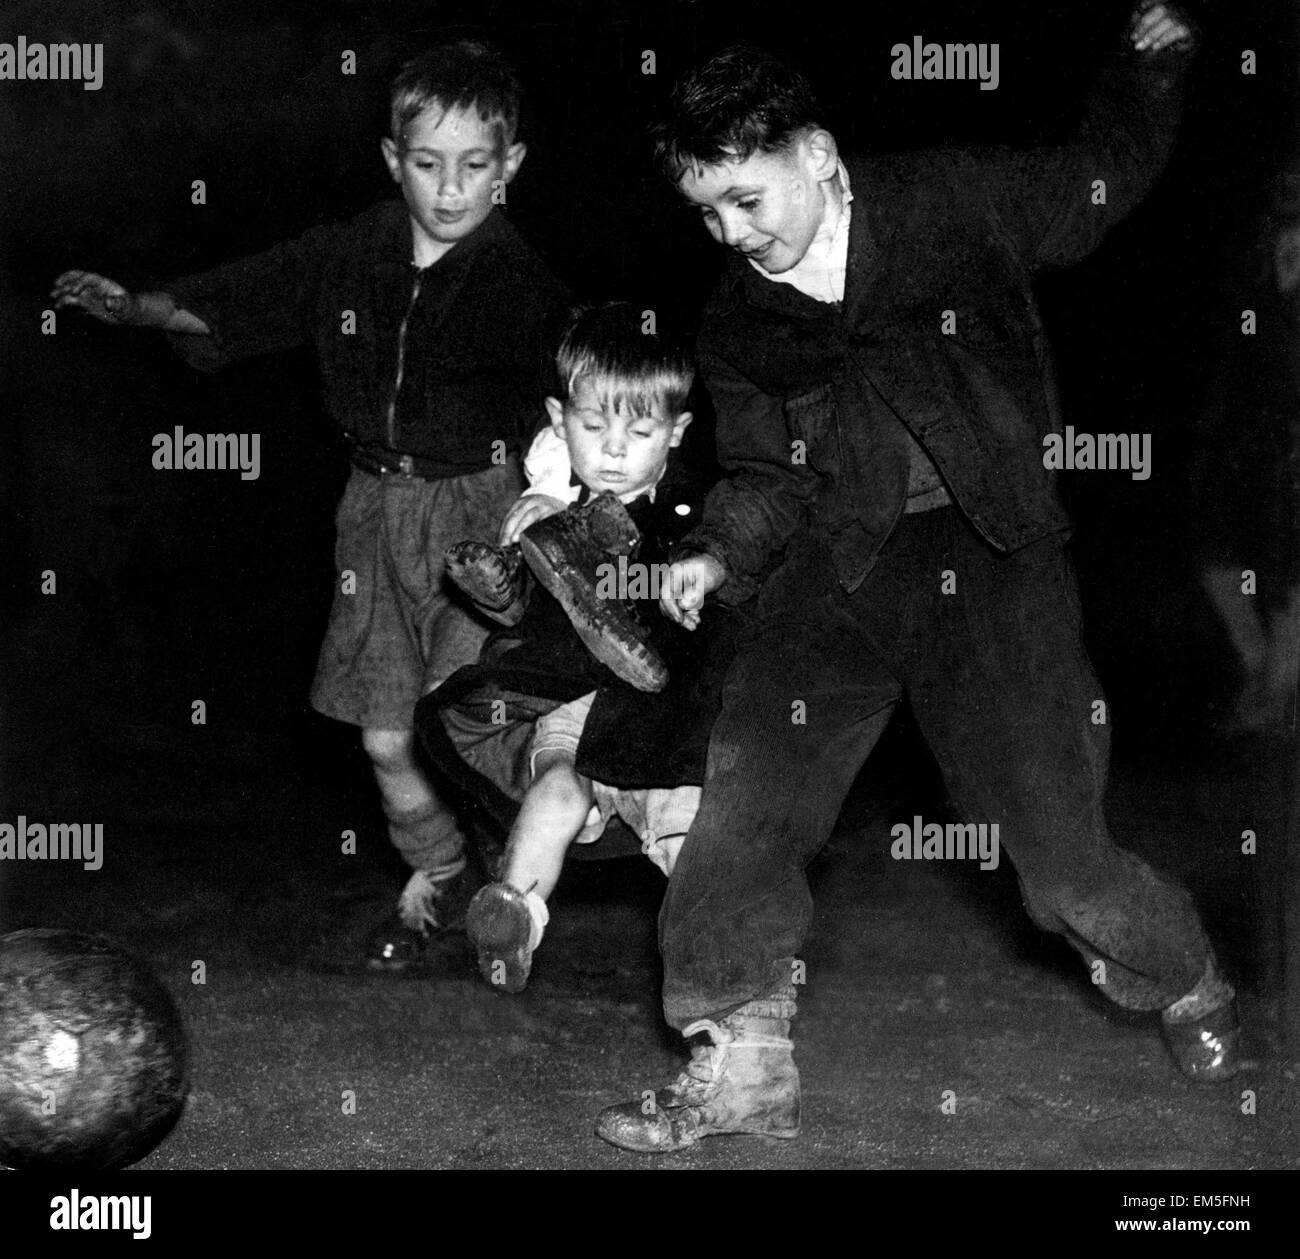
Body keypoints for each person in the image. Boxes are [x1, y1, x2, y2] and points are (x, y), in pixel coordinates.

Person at [523, 5, 1244, 1154]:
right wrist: (715, 550)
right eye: (704, 211)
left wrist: (1148, 71)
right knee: (742, 804)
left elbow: (1098, 181)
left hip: (989, 556)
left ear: (816, 155)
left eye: (746, 199)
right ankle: (741, 1063)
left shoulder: (951, 203)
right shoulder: (739, 319)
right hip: (833, 572)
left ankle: (1182, 968)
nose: (728, 232)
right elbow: (764, 474)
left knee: (1061, 866)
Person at [50, 38, 571, 969]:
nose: (450, 189)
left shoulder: (526, 285)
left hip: (482, 519)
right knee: (382, 736)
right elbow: (239, 299)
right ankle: (442, 875)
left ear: (512, 167)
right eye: (426, 164)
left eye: (475, 166)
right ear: (391, 160)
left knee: (475, 717)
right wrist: (138, 309)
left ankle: (517, 889)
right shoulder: (351, 254)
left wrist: (576, 501)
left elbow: (578, 410)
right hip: (371, 512)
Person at [415, 302, 738, 992]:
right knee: (555, 790)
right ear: (560, 424)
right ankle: (513, 915)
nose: (615, 450)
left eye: (640, 430)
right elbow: (519, 614)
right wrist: (497, 579)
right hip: (571, 694)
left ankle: (719, 956)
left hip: (664, 712)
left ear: (676, 431)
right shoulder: (550, 517)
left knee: (682, 826)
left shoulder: (694, 513)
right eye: (593, 427)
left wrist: (701, 573)